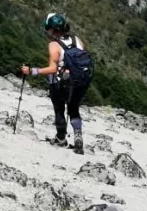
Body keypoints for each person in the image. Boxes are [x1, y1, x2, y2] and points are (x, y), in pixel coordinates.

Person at [19, 12, 94, 154]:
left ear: (53, 30)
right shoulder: (77, 39)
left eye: (47, 28)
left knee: (59, 109)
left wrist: (32, 71)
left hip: (61, 83)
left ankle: (60, 138)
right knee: (73, 108)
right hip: (80, 82)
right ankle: (78, 135)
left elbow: (53, 68)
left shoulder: (54, 45)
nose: (46, 31)